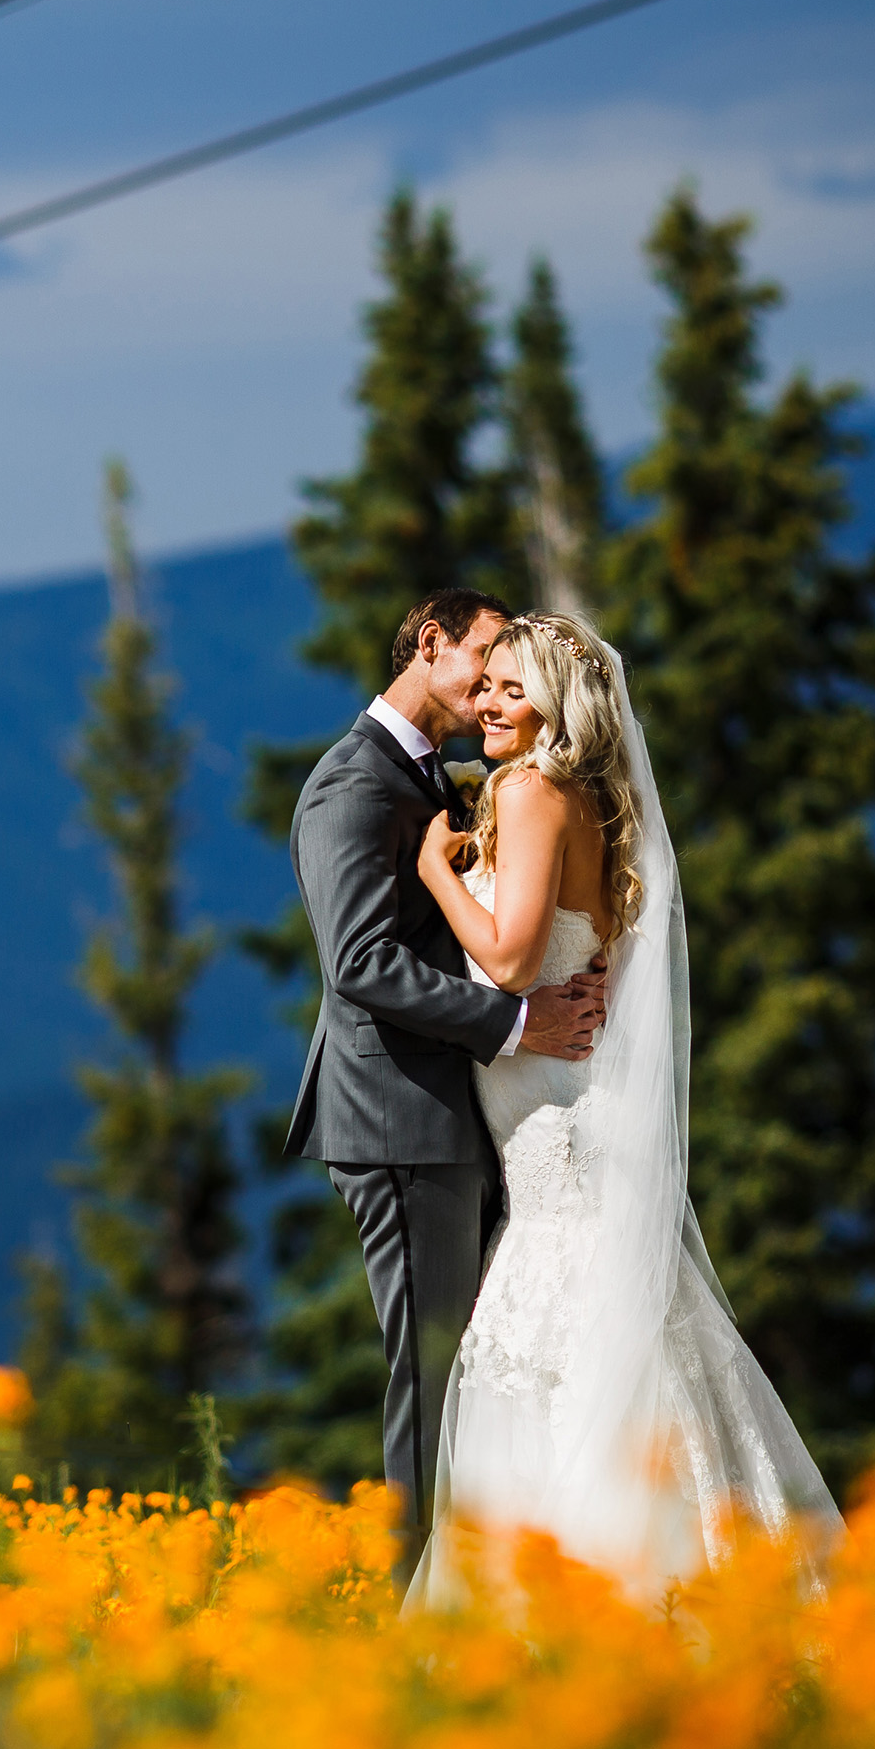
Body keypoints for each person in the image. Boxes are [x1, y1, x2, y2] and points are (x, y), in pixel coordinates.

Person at [406, 610, 839, 1600]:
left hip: (556, 1127)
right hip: (568, 1111)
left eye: (515, 692)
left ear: (559, 710)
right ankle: (695, 1578)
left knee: (553, 1343)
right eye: (490, 687)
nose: (490, 707)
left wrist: (435, 869)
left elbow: (512, 959)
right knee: (621, 1337)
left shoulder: (524, 791)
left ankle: (600, 1592)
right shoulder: (588, 798)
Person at [281, 588, 607, 1591]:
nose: (490, 691)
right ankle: (409, 1610)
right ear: (429, 643)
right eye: (482, 661)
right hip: (399, 1120)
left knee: (477, 1372)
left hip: (460, 1113)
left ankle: (480, 1589)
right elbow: (361, 965)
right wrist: (519, 1020)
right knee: (429, 1381)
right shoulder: (355, 785)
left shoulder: (437, 777)